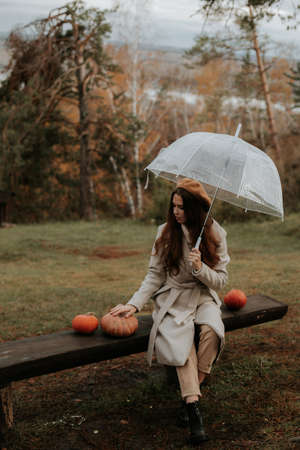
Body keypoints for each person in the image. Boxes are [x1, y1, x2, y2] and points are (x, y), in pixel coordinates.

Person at [110, 178, 230, 445]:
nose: (176, 212)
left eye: (182, 208)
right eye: (174, 206)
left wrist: (200, 269)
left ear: (196, 210)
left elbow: (221, 281)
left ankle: (192, 390)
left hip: (202, 296)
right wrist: (133, 304)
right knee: (181, 342)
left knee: (212, 331)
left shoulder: (215, 233)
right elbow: (154, 276)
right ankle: (193, 409)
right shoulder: (165, 232)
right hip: (174, 298)